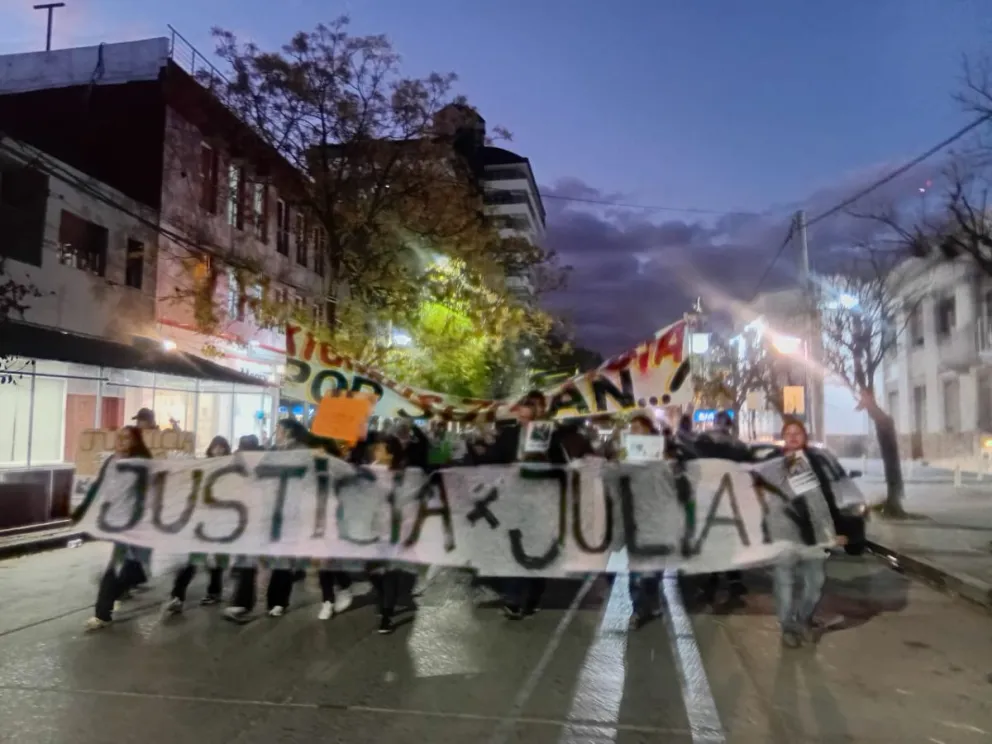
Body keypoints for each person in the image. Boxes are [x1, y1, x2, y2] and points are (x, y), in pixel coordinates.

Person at [483, 390, 567, 620]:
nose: (522, 416)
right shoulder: (508, 436)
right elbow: (491, 461)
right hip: (513, 499)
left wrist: (546, 468)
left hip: (539, 500)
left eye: (527, 412)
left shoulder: (547, 436)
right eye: (520, 412)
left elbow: (562, 469)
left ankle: (533, 594)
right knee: (513, 547)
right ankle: (512, 597)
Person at [764, 418, 847, 648]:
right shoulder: (774, 463)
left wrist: (832, 532)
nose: (792, 436)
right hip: (784, 534)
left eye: (797, 432)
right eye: (788, 433)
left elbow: (823, 501)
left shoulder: (816, 464)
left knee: (815, 582)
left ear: (805, 437)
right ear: (783, 438)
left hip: (813, 535)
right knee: (785, 584)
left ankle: (803, 619)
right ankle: (788, 628)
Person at [84, 426, 153, 631]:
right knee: (121, 565)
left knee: (129, 568)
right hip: (118, 522)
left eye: (127, 438)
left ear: (135, 441)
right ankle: (103, 612)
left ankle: (108, 603)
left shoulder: (142, 464)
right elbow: (101, 486)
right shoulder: (111, 461)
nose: (121, 441)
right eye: (119, 438)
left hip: (138, 522)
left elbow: (149, 492)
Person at [165, 436, 232, 615]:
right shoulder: (204, 466)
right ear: (211, 449)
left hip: (220, 521)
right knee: (192, 559)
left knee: (216, 560)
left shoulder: (230, 469)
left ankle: (214, 592)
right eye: (216, 447)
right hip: (201, 520)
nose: (218, 451)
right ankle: (177, 596)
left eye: (222, 448)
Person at [626, 412, 664, 629]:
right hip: (635, 519)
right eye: (632, 429)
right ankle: (638, 610)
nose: (634, 432)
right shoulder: (626, 454)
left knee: (655, 567)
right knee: (637, 568)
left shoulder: (662, 453)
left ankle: (652, 599)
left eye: (638, 428)